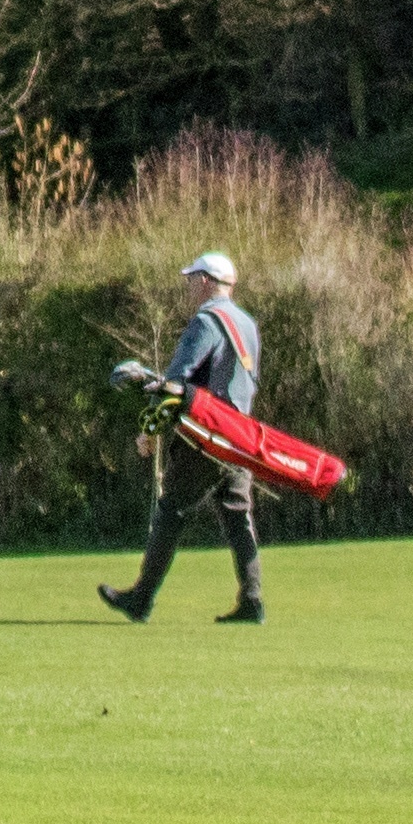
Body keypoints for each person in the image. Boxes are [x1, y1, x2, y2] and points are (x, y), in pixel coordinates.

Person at [106, 246, 271, 628]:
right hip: (239, 435)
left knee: (171, 511)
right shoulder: (247, 324)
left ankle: (141, 599)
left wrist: (151, 427)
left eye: (191, 282)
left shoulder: (206, 321)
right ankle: (252, 599)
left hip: (206, 437)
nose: (188, 289)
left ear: (205, 282)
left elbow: (177, 382)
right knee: (237, 516)